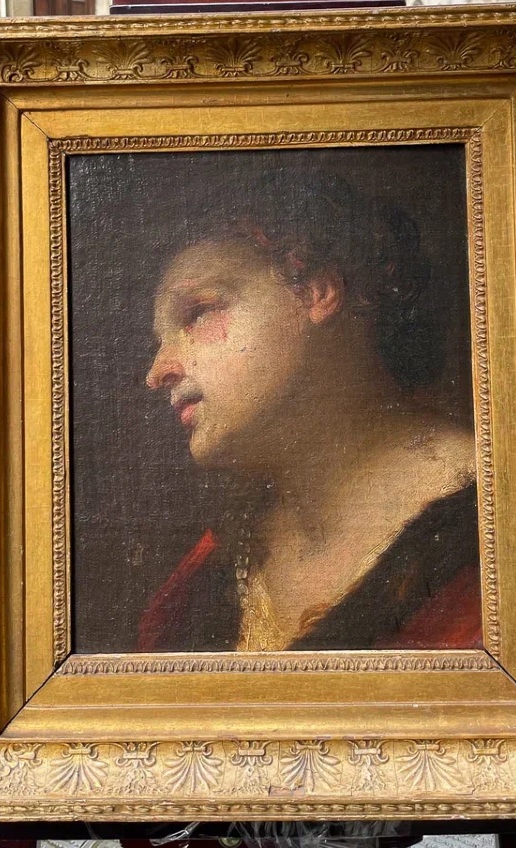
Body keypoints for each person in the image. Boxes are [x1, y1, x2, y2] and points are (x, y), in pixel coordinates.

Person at [138, 167, 481, 653]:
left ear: (317, 291)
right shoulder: (209, 573)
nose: (157, 371)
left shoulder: (490, 526)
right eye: (159, 340)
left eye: (197, 313)